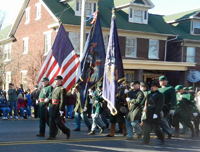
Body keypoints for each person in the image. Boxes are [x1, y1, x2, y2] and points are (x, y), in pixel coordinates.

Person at [46, 75, 70, 140]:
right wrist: (48, 100)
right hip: (52, 106)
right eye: (55, 80)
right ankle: (52, 135)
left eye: (56, 80)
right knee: (51, 122)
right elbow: (53, 97)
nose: (55, 81)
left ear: (60, 81)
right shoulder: (55, 88)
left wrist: (61, 109)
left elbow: (63, 100)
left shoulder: (62, 89)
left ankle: (67, 131)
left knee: (58, 122)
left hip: (57, 107)